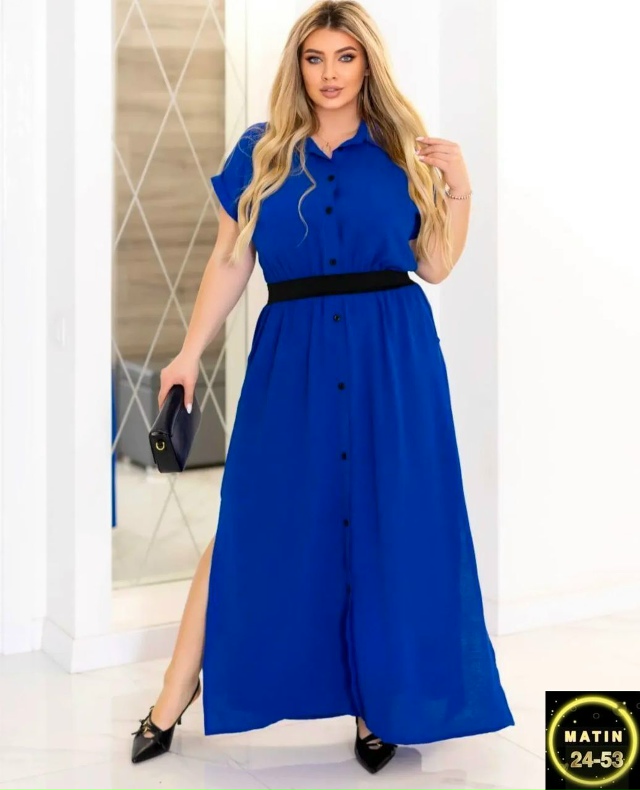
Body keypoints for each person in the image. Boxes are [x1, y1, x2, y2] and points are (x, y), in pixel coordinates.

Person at [131, 0, 515, 774]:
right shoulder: (263, 150)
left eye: (345, 57)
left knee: (386, 522)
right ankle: (176, 689)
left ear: (367, 64)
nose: (329, 74)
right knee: (252, 519)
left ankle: (379, 705)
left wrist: (461, 186)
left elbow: (435, 265)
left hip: (392, 358)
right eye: (315, 58)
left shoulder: (403, 148)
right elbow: (230, 262)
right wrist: (187, 353)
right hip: (293, 360)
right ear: (297, 66)